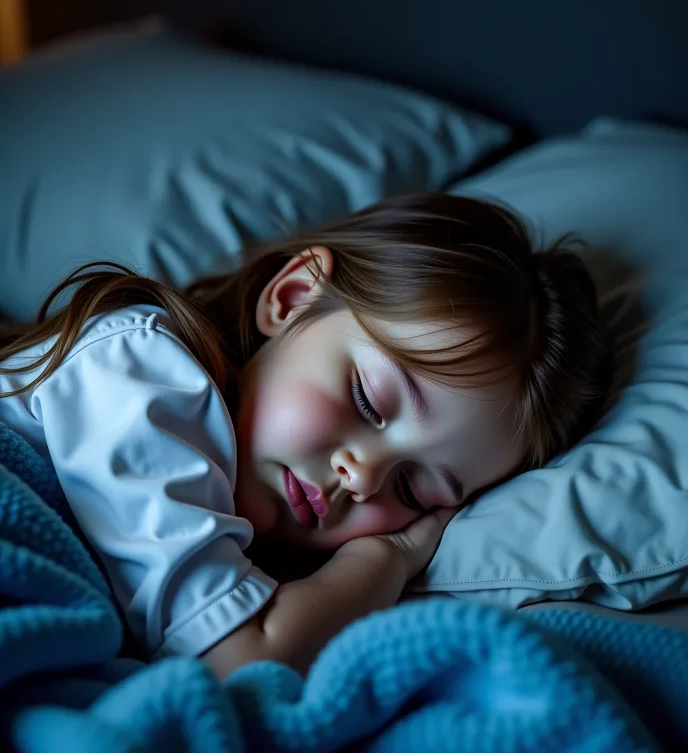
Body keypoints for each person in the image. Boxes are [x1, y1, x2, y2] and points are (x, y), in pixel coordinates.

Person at [0, 193, 608, 678]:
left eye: (415, 491)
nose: (363, 478)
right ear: (292, 298)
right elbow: (238, 661)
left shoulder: (261, 562)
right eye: (368, 400)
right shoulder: (142, 371)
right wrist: (386, 556)